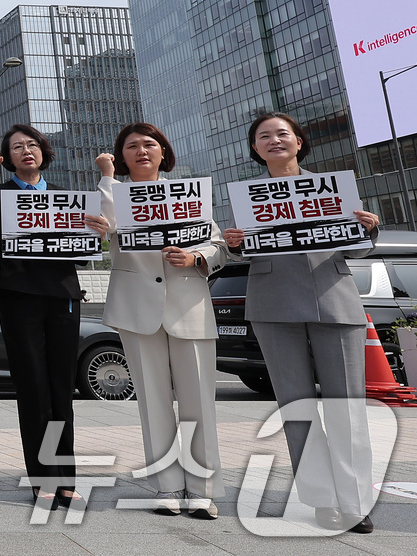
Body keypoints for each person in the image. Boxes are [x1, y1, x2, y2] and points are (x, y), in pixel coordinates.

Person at [222, 112, 380, 533]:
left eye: (282, 134)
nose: (274, 140)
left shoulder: (333, 189)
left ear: (298, 141)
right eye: (264, 136)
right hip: (273, 305)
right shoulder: (246, 196)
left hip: (334, 300)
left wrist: (367, 229)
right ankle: (321, 500)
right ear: (255, 149)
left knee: (347, 407)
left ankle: (355, 502)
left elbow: (355, 251)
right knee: (297, 407)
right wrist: (235, 244)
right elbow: (241, 253)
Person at [87, 123, 225, 519]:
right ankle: (166, 486)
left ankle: (202, 490)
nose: (142, 151)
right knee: (152, 401)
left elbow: (216, 244)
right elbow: (106, 223)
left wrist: (196, 258)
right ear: (120, 155)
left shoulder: (187, 195)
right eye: (131, 146)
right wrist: (107, 176)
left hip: (189, 305)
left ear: (164, 152)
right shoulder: (113, 192)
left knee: (200, 401)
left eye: (150, 145)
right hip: (137, 308)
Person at [0, 124, 84, 509]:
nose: (27, 151)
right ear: (7, 156)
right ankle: (42, 476)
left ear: (43, 151)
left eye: (33, 145)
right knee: (32, 388)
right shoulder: (2, 194)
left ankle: (65, 475)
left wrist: (96, 229)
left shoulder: (64, 197)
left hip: (62, 297)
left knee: (61, 389)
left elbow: (82, 246)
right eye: (17, 147)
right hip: (18, 296)